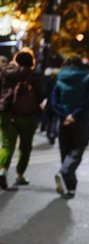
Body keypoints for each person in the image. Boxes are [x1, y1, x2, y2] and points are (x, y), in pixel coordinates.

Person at [0, 49, 43, 190]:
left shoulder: (6, 73)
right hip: (27, 116)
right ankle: (19, 175)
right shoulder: (33, 76)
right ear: (32, 62)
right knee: (25, 147)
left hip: (6, 113)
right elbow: (41, 96)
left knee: (7, 145)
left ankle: (2, 171)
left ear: (15, 60)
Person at [52, 56, 89, 199]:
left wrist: (64, 116)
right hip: (80, 120)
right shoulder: (87, 78)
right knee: (77, 149)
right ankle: (65, 173)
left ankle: (70, 186)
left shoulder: (60, 77)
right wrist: (74, 115)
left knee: (65, 150)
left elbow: (54, 100)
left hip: (64, 121)